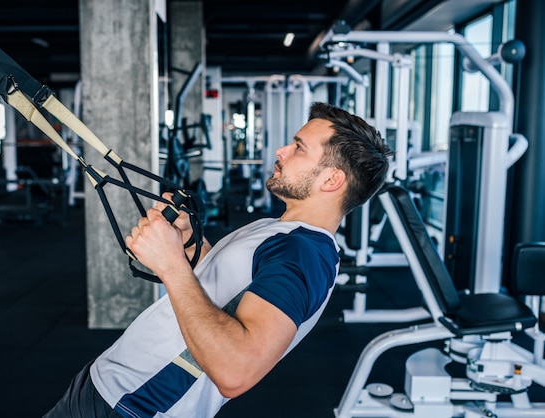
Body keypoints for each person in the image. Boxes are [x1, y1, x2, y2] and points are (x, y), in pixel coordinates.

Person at [44, 102, 392, 418]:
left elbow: (236, 372)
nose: (282, 151)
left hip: (131, 408)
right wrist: (190, 247)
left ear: (332, 180)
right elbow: (227, 287)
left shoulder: (303, 254)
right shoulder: (281, 229)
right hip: (108, 384)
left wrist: (170, 264)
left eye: (299, 147)